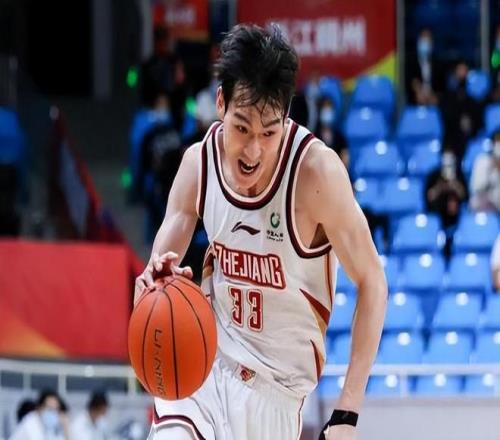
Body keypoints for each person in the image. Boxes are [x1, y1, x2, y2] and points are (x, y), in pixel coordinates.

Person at [135, 24, 387, 440]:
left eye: (269, 133)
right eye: (242, 128)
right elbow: (150, 287)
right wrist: (151, 287)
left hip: (276, 396)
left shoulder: (315, 174)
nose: (253, 150)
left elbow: (373, 281)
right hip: (205, 369)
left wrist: (347, 412)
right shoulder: (199, 165)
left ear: (286, 117)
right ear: (221, 102)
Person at [425, 150, 468, 229]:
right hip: (438, 214)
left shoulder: (459, 175)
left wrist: (455, 185)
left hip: (456, 217)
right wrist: (439, 188)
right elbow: (429, 197)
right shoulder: (434, 175)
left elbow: (465, 197)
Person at [406, 28, 446, 106]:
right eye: (423, 40)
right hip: (414, 103)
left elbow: (442, 88)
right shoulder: (410, 62)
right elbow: (410, 80)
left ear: (432, 44)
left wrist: (435, 97)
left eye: (427, 40)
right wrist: (418, 92)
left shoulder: (438, 64)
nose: (425, 43)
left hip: (433, 104)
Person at [470, 130, 500, 212]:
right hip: (485, 207)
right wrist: (490, 170)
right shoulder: (482, 161)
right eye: (498, 142)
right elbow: (476, 188)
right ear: (493, 144)